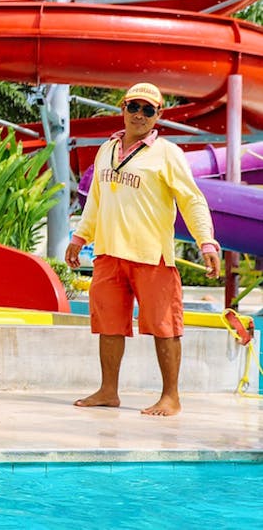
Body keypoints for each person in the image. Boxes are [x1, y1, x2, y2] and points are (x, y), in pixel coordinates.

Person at [65, 81, 220, 417]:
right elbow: (96, 199)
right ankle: (108, 391)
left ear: (158, 115)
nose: (139, 115)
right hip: (108, 253)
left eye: (148, 110)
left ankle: (171, 397)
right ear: (122, 108)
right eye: (134, 107)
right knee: (108, 324)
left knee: (165, 326)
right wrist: (79, 237)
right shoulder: (106, 149)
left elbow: (192, 200)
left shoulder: (168, 154)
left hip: (152, 256)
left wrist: (205, 240)